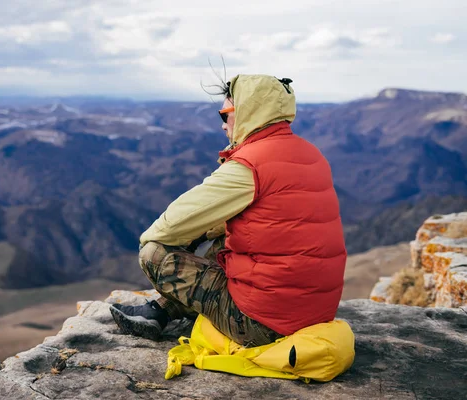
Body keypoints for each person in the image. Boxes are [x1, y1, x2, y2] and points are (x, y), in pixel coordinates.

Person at [110, 74, 347, 346]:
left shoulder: (249, 166)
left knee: (154, 252)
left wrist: (189, 239)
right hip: (312, 314)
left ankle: (167, 310)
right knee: (228, 236)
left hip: (264, 325)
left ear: (249, 112)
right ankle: (160, 312)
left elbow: (168, 228)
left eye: (226, 114)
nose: (223, 125)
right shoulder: (311, 153)